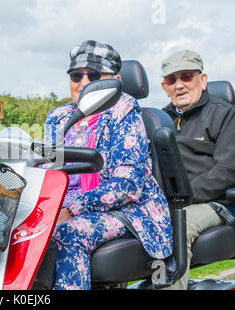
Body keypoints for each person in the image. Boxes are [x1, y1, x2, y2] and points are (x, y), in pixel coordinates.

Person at [43, 40, 173, 290]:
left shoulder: (123, 108)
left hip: (127, 211)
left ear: (114, 80)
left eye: (93, 74)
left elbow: (127, 185)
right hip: (62, 207)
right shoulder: (58, 117)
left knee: (69, 233)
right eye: (76, 75)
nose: (83, 82)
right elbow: (45, 169)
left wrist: (70, 211)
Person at [159, 50, 235, 290]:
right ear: (164, 86)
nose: (179, 85)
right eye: (172, 80)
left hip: (217, 203)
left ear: (202, 80)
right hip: (167, 202)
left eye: (187, 76)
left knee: (176, 224)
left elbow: (227, 171)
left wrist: (183, 196)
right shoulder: (160, 119)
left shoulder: (225, 114)